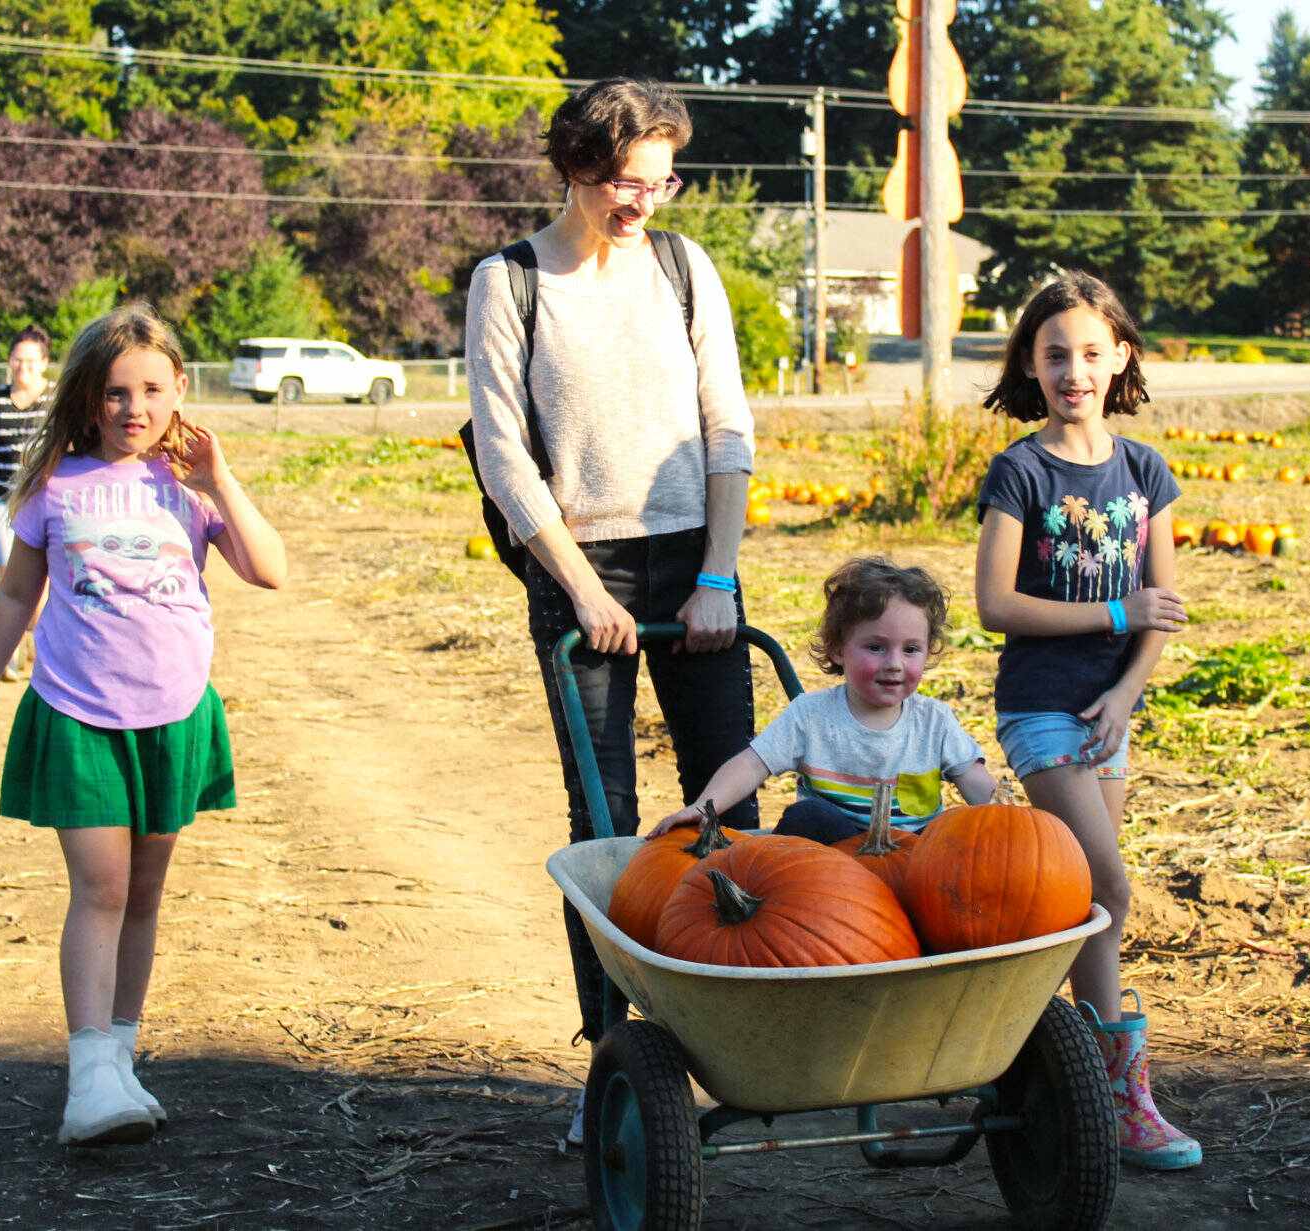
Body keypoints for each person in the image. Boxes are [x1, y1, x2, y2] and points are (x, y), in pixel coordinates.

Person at [463, 78, 757, 1140]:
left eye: (659, 179)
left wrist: (718, 574)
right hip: (576, 562)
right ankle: (618, 1063)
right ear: (573, 168)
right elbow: (504, 452)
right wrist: (581, 587)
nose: (640, 201)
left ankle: (741, 1028)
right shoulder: (510, 282)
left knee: (730, 797)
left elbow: (726, 425)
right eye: (619, 180)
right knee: (605, 826)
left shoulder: (684, 267)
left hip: (694, 558)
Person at [0, 305, 287, 1147]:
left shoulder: (190, 485)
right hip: (79, 712)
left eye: (149, 388)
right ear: (87, 400)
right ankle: (88, 1076)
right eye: (112, 392)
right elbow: (20, 594)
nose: (132, 407)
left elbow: (269, 571)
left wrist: (220, 481)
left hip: (173, 715)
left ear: (181, 388)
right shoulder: (57, 482)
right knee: (99, 888)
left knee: (143, 895)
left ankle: (121, 1058)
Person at [972, 271, 1199, 1171]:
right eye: (1055, 353)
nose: (1074, 370)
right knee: (1108, 885)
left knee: (1085, 903)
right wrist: (1113, 617)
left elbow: (1164, 608)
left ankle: (1067, 1071)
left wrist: (1127, 692)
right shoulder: (1019, 470)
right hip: (1039, 706)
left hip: (1111, 712)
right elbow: (996, 602)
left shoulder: (1145, 470)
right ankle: (1117, 1090)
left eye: (1090, 353)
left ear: (1121, 359)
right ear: (1031, 364)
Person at [647, 557, 996, 842]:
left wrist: (1012, 824)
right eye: (875, 647)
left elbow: (975, 780)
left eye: (911, 650)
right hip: (830, 867)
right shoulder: (811, 716)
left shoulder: (934, 721)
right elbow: (751, 764)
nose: (894, 664)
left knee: (956, 829)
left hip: (914, 869)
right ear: (837, 648)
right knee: (808, 817)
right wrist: (702, 806)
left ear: (929, 650)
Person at [0, 325, 55, 677]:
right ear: (9, 361)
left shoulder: (57, 400)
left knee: (43, 578)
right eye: (17, 360)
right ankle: (7, 656)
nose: (23, 367)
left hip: (41, 502)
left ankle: (46, 652)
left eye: (31, 360)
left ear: (44, 363)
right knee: (10, 575)